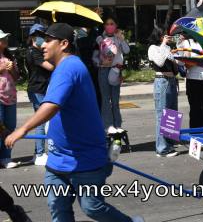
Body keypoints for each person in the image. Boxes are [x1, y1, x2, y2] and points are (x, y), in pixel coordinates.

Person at [4, 23, 143, 222]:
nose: (43, 44)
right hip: (59, 159)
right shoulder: (63, 67)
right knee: (59, 209)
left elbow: (51, 105)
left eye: (48, 40)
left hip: (84, 158)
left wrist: (22, 129)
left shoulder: (69, 67)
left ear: (63, 44)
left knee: (92, 207)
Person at [93, 17, 130, 131]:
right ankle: (108, 126)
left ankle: (118, 125)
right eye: (107, 24)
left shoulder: (118, 38)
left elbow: (127, 50)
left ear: (116, 25)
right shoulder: (100, 39)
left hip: (115, 71)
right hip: (104, 71)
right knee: (105, 99)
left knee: (115, 100)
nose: (109, 26)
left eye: (112, 24)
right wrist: (100, 62)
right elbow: (94, 56)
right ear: (104, 26)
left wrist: (121, 39)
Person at [147, 28, 179, 157]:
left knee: (172, 114)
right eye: (163, 36)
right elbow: (159, 62)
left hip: (171, 79)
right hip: (162, 80)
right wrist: (164, 45)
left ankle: (170, 144)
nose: (165, 37)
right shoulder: (153, 48)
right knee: (162, 114)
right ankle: (162, 148)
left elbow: (176, 63)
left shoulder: (165, 48)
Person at [25, 24, 54, 166]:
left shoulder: (38, 51)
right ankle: (40, 153)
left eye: (42, 34)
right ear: (31, 37)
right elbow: (50, 67)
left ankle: (38, 152)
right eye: (37, 35)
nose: (40, 37)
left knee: (40, 121)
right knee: (41, 121)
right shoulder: (33, 52)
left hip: (40, 88)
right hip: (37, 89)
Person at [178, 37, 203, 128]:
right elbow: (187, 64)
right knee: (195, 110)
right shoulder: (188, 42)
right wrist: (200, 60)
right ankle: (196, 137)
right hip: (194, 80)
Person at [0, 29, 19, 169]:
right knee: (0, 128)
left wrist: (11, 69)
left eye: (6, 37)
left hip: (11, 97)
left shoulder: (9, 56)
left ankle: (6, 157)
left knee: (10, 128)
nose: (5, 40)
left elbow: (17, 77)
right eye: (3, 38)